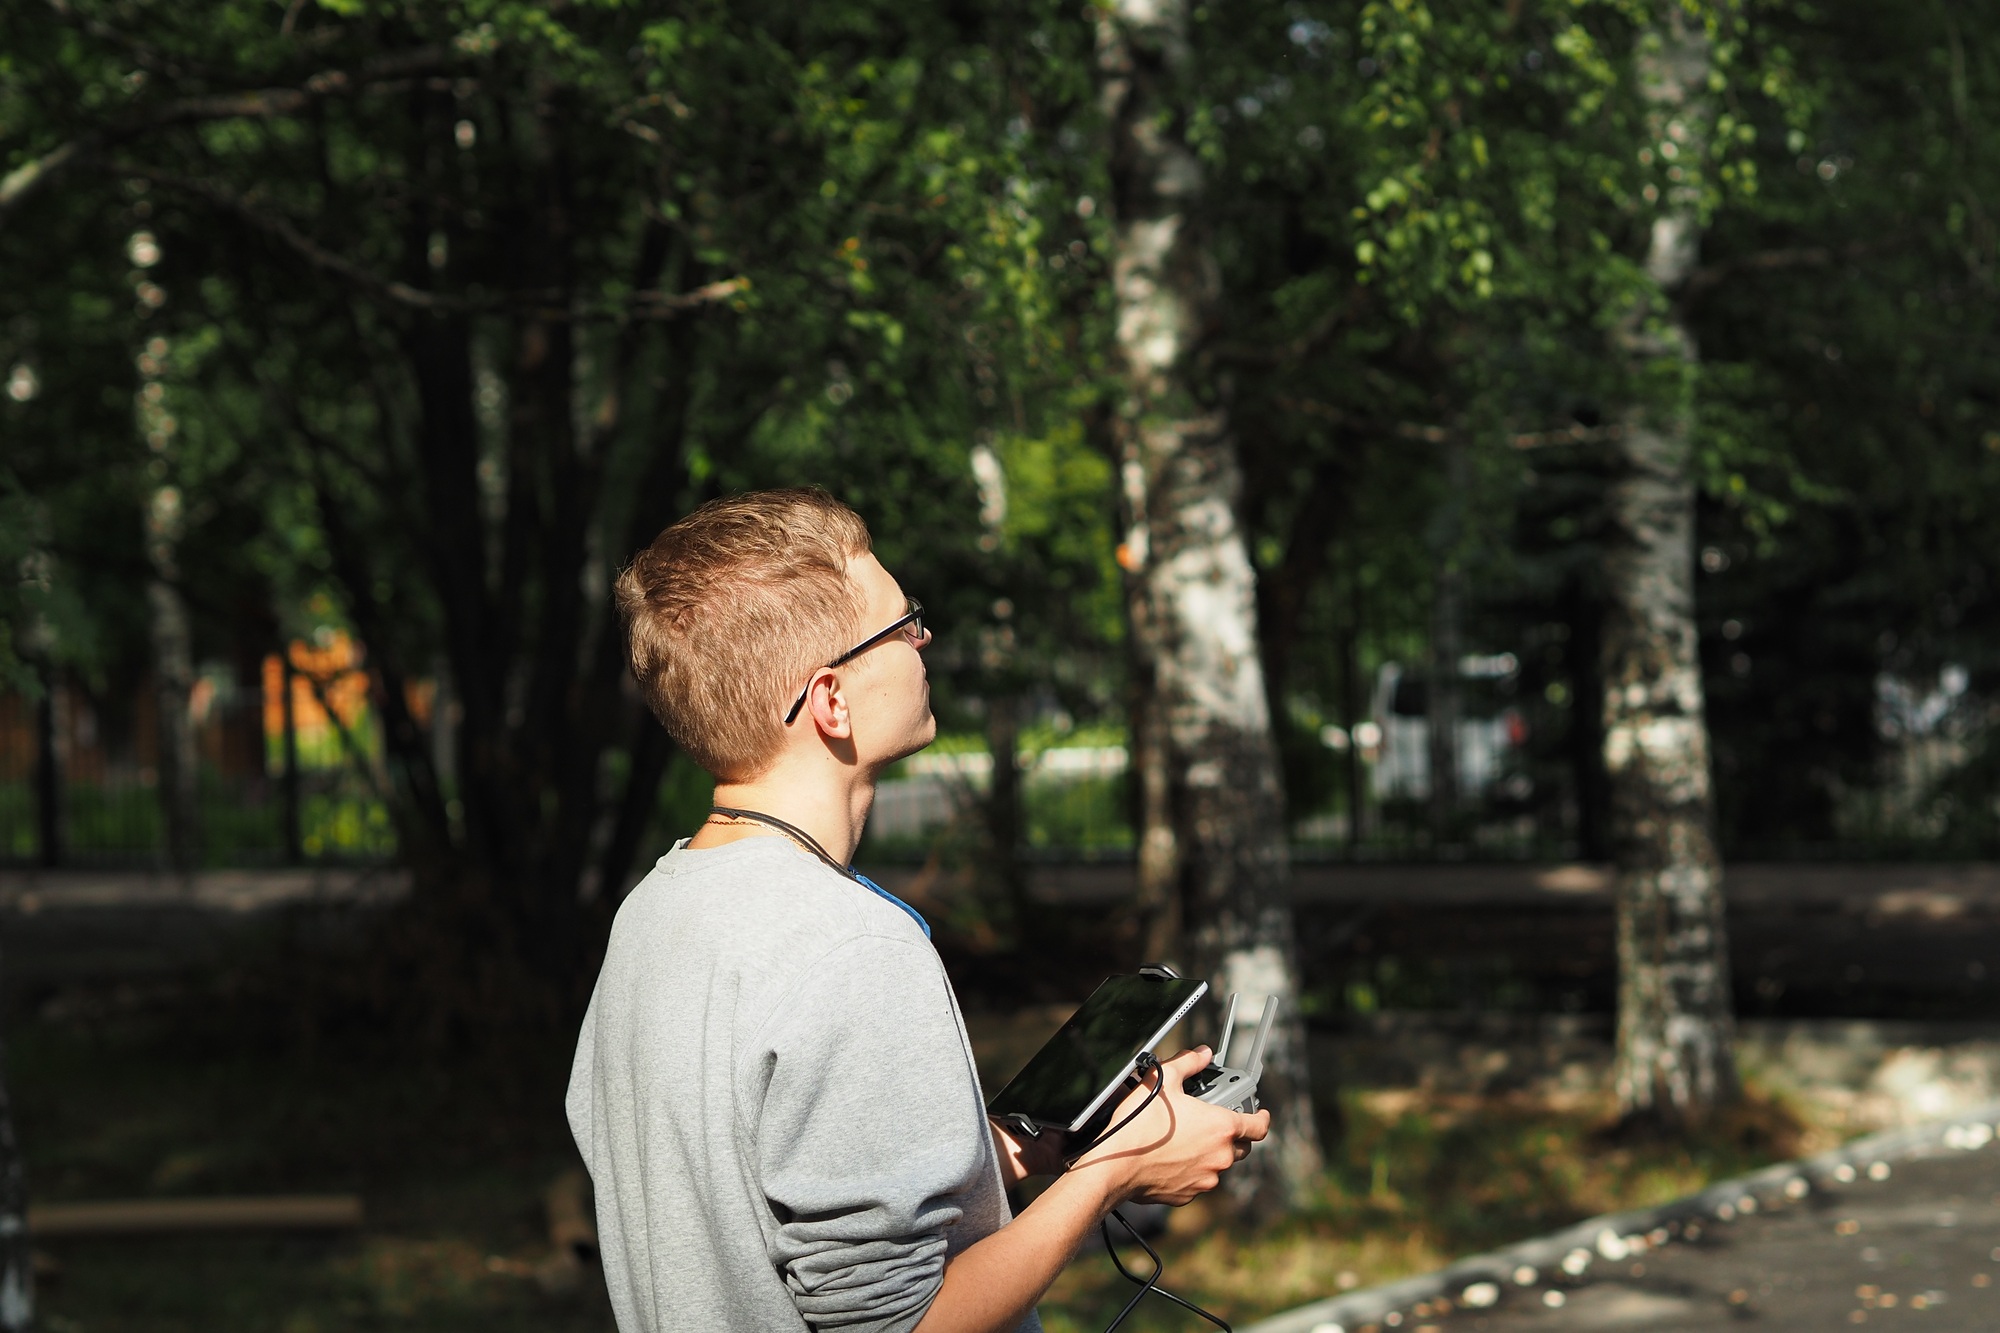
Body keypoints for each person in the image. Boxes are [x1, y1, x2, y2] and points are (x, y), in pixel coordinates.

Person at [566, 488, 1268, 1333]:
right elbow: (902, 1325)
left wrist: (1014, 1151)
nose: (924, 639)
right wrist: (1115, 1169)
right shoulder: (850, 946)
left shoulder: (655, 908)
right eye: (902, 625)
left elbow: (753, 1194)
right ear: (830, 700)